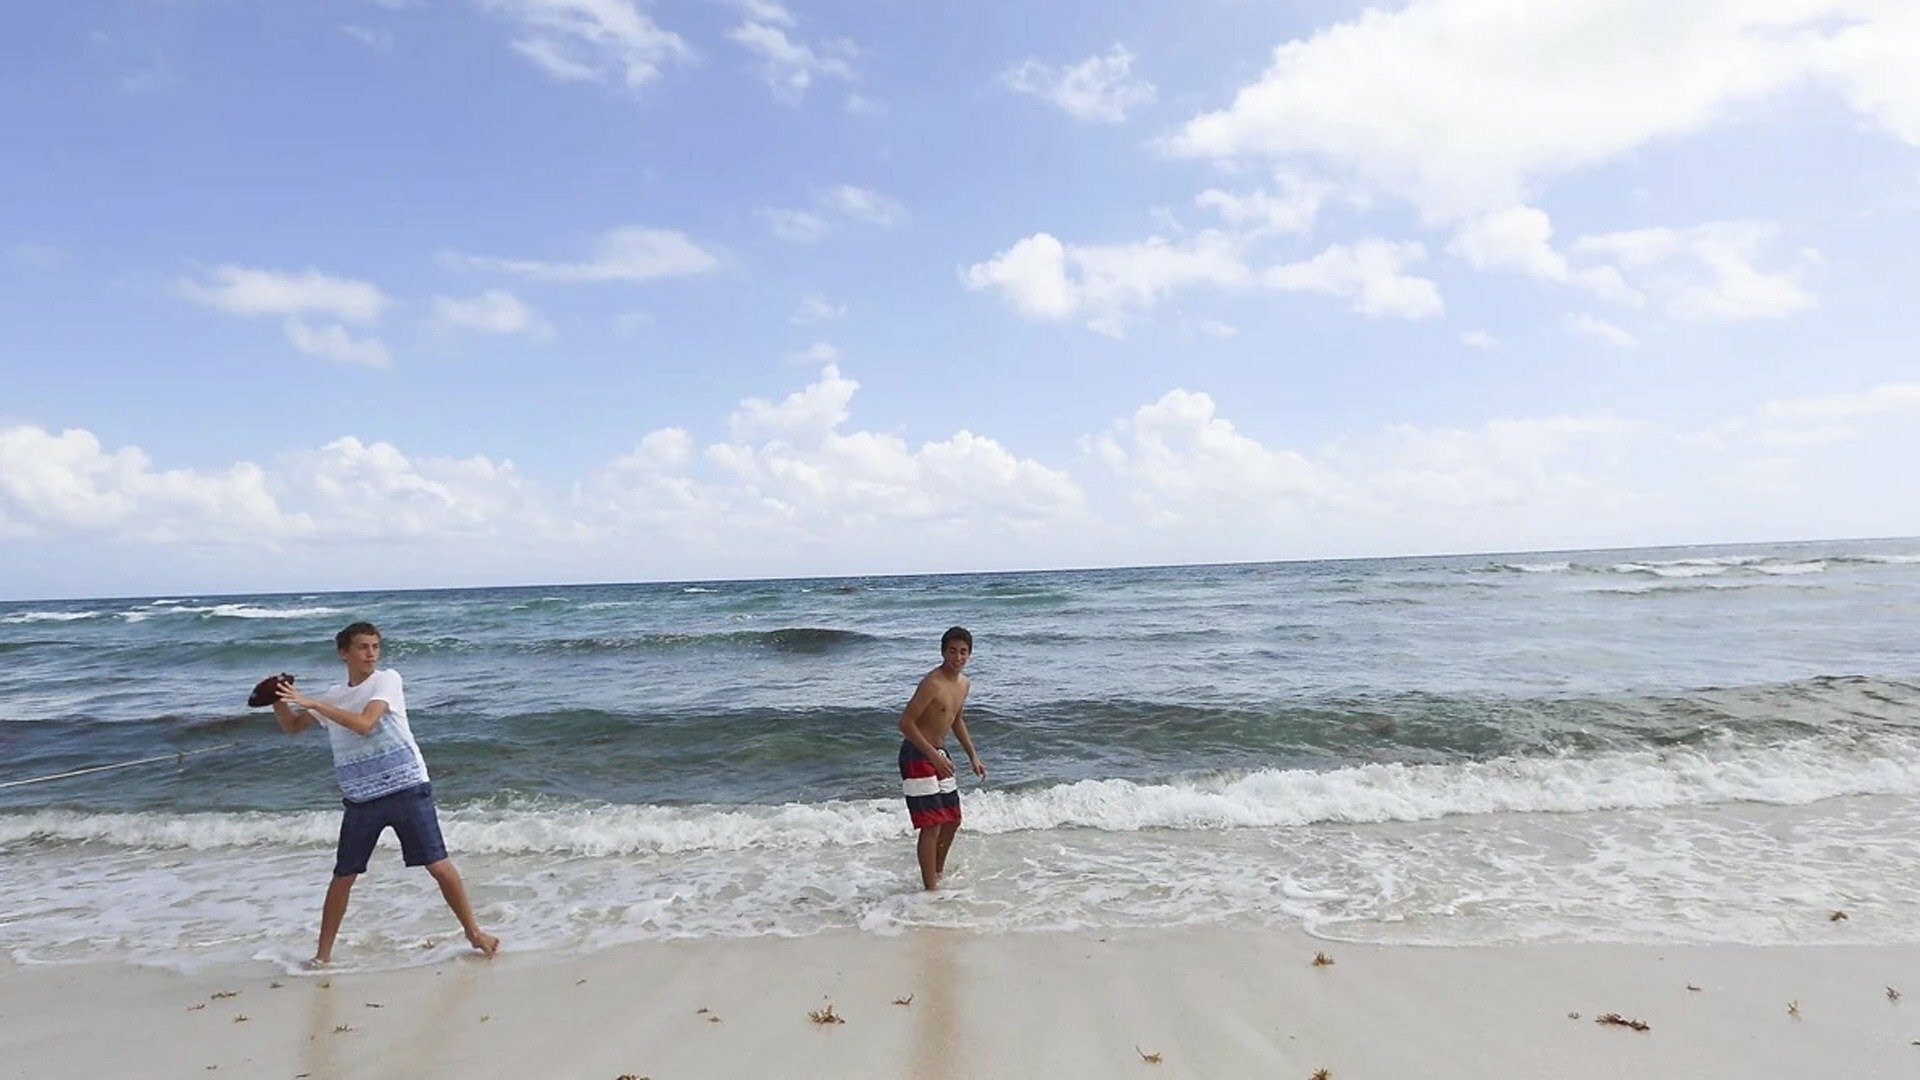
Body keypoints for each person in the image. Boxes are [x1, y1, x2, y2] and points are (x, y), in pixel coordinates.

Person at [272, 621, 499, 964]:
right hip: (361, 800)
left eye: (375, 647)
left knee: (438, 866)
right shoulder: (334, 697)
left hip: (406, 787)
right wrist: (277, 697)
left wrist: (312, 702)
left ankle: (474, 933)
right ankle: (322, 957)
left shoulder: (387, 680)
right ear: (343, 652)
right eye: (363, 647)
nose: (371, 654)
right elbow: (291, 727)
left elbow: (365, 724)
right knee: (343, 876)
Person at [897, 626, 985, 890]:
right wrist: (933, 756)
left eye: (963, 652)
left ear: (969, 655)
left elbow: (955, 719)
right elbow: (905, 723)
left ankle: (937, 872)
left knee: (953, 819)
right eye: (952, 651)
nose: (958, 657)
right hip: (917, 754)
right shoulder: (932, 683)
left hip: (939, 754)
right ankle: (930, 890)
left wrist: (973, 755)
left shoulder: (964, 684)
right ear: (943, 652)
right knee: (932, 824)